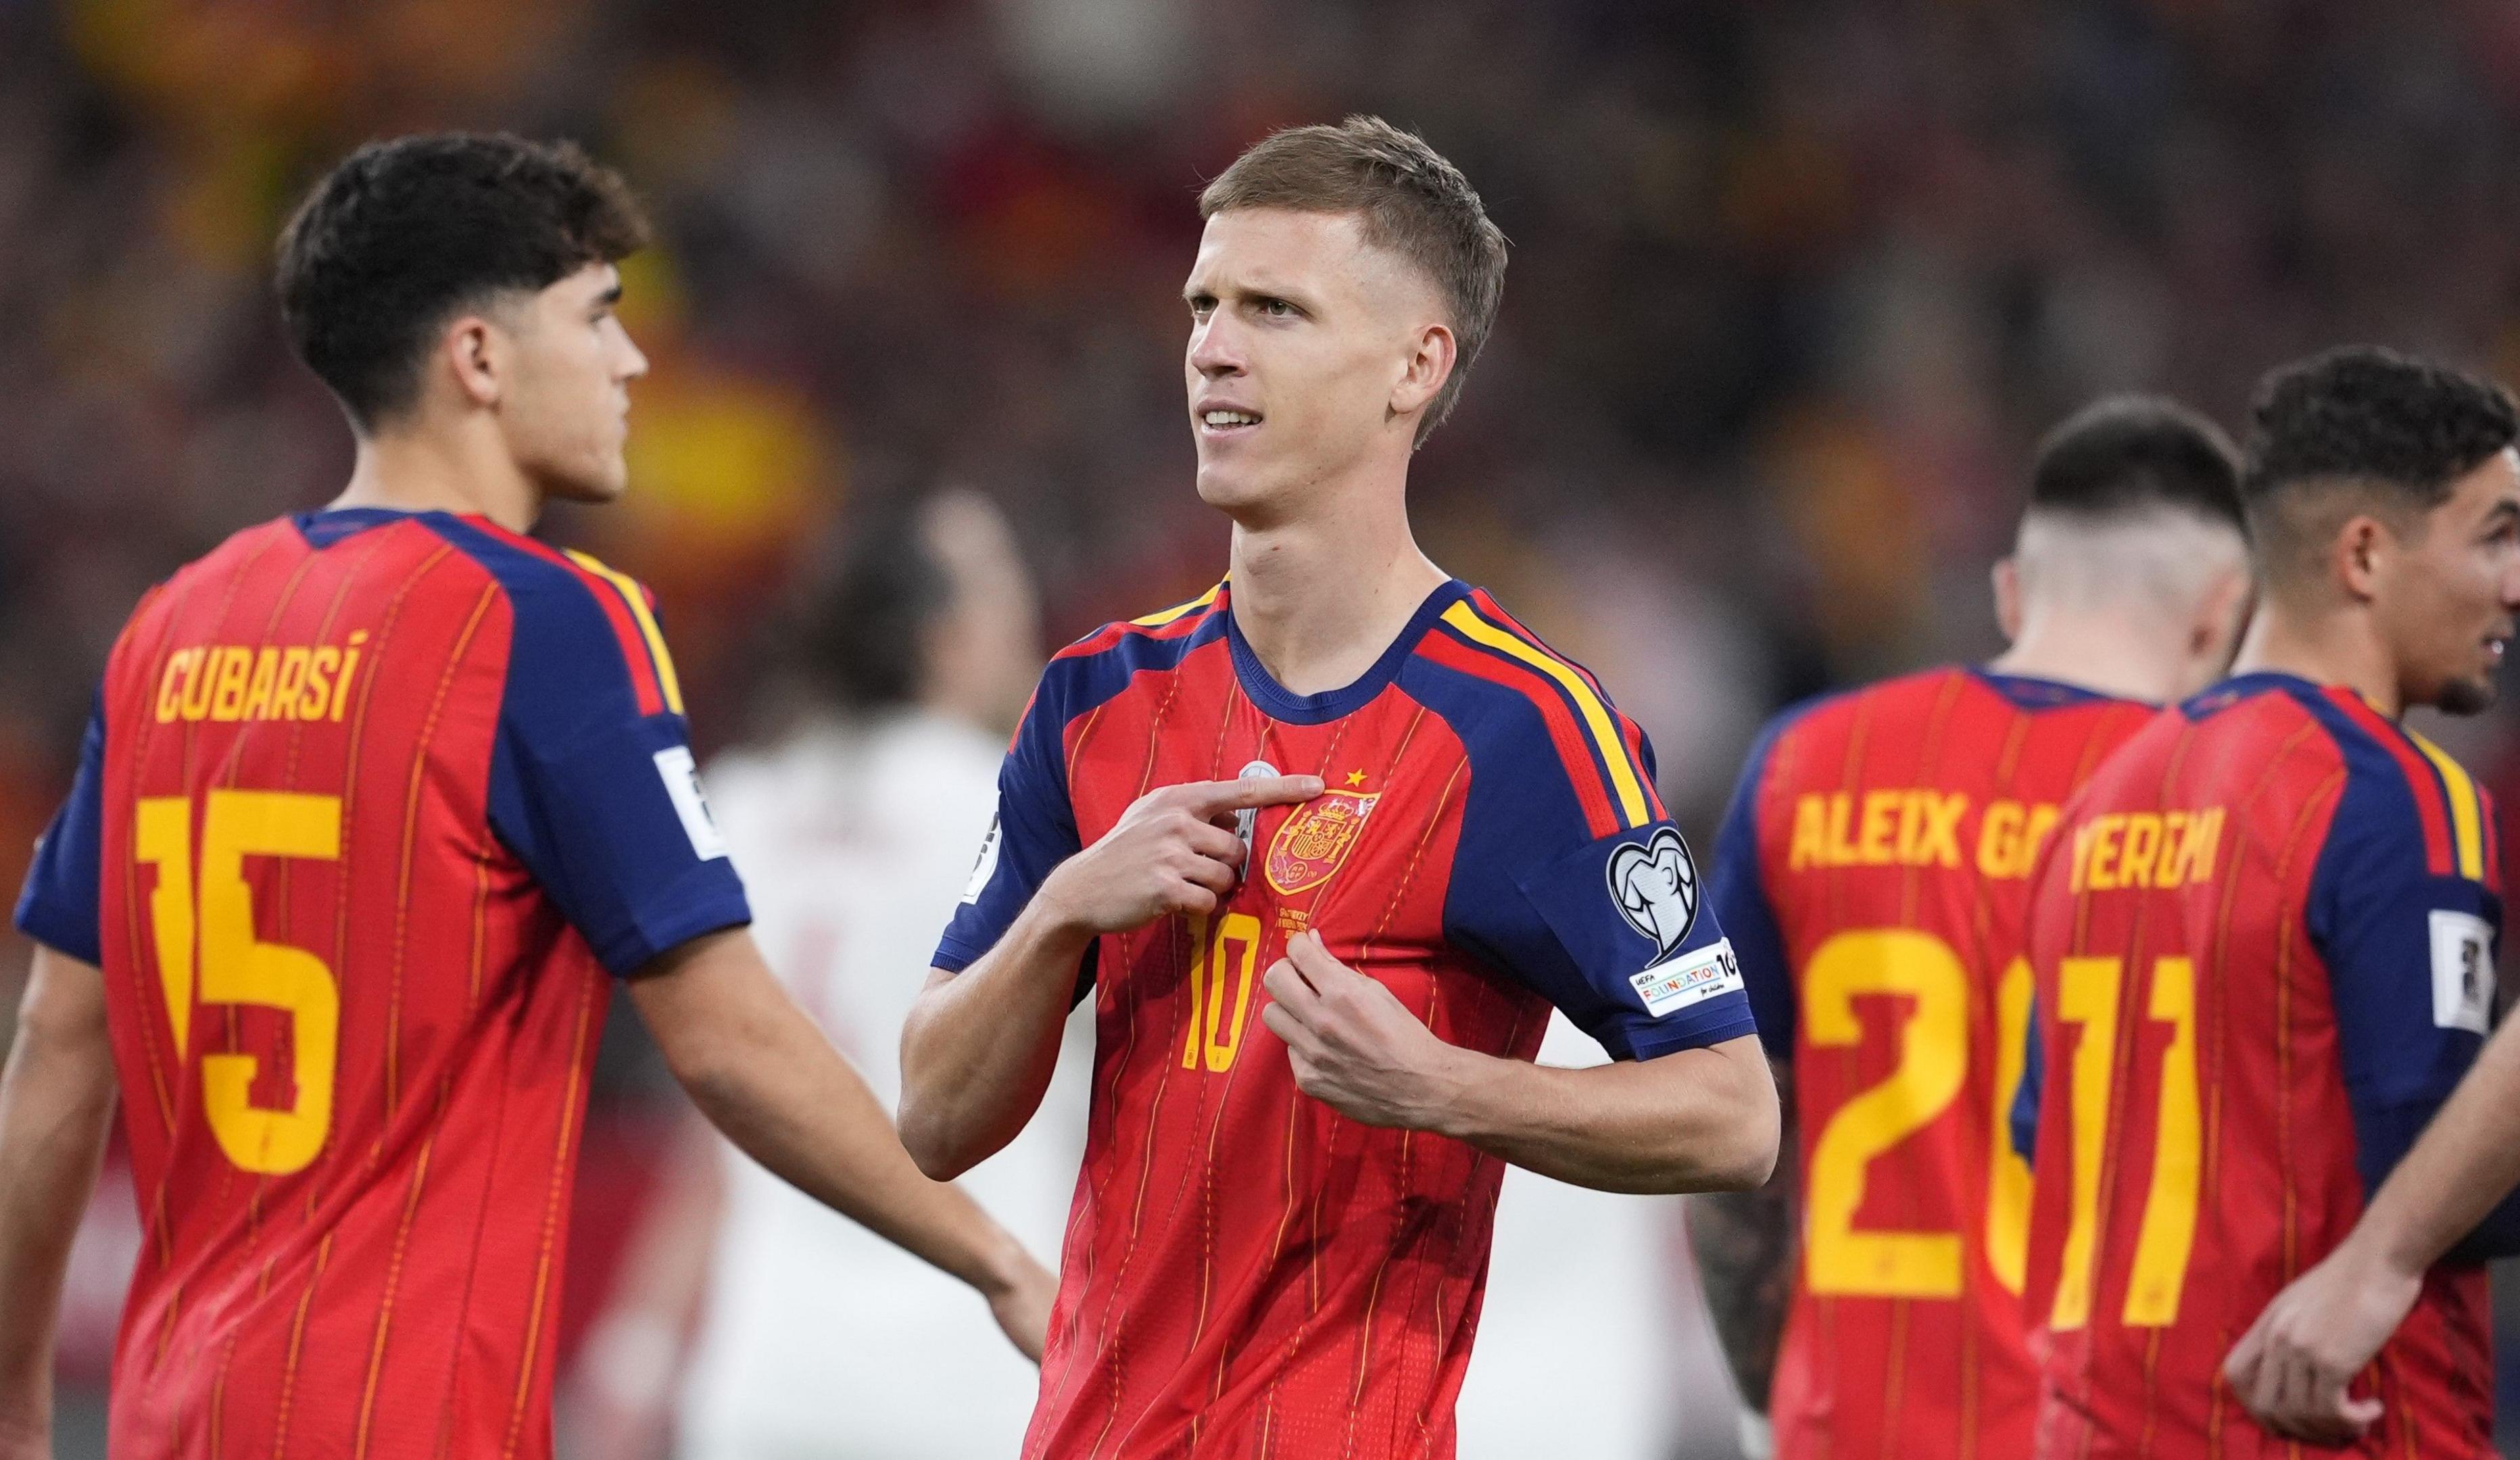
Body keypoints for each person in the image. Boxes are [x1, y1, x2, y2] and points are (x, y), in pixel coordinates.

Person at [0, 133, 1053, 1460]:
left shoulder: (171, 629)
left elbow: (59, 1043)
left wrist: (3, 1412)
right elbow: (725, 1039)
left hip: (175, 1416)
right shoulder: (547, 626)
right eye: (597, 319)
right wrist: (992, 1256)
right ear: (479, 359)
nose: (632, 364)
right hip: (405, 1422)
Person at [896, 115, 1780, 1460]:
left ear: (1414, 368)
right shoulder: (1093, 700)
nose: (1213, 346)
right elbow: (933, 1117)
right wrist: (1069, 907)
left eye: (1275, 309)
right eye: (1203, 304)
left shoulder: (1524, 729)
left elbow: (1733, 1114)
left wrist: (1442, 1085)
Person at [1687, 397, 2252, 1460]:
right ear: (2221, 615)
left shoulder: (1807, 764)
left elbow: (1728, 1136)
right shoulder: (2233, 809)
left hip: (1850, 1420)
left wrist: (1771, 1411)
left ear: (2009, 591)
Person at [2014, 346, 2520, 1458]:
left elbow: (2039, 1136)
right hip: (2335, 1430)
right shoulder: (2398, 797)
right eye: (2495, 534)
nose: (2517, 583)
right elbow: (2446, 1179)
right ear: (2366, 555)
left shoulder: (2094, 810)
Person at [566, 488, 1092, 1459]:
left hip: (768, 1371)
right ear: (943, 634)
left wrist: (638, 1345)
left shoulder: (738, 804)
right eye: (996, 583)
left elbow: (720, 1112)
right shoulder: (1029, 812)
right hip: (984, 1367)